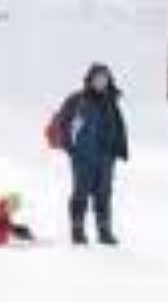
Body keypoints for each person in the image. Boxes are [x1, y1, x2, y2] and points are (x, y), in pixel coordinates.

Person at [54, 63, 129, 246]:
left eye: (105, 78)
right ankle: (77, 229)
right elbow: (62, 123)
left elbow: (119, 128)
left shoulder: (111, 102)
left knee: (104, 194)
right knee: (81, 193)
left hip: (105, 158)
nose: (101, 81)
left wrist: (117, 151)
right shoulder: (77, 100)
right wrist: (71, 148)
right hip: (83, 157)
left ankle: (104, 230)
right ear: (90, 79)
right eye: (98, 78)